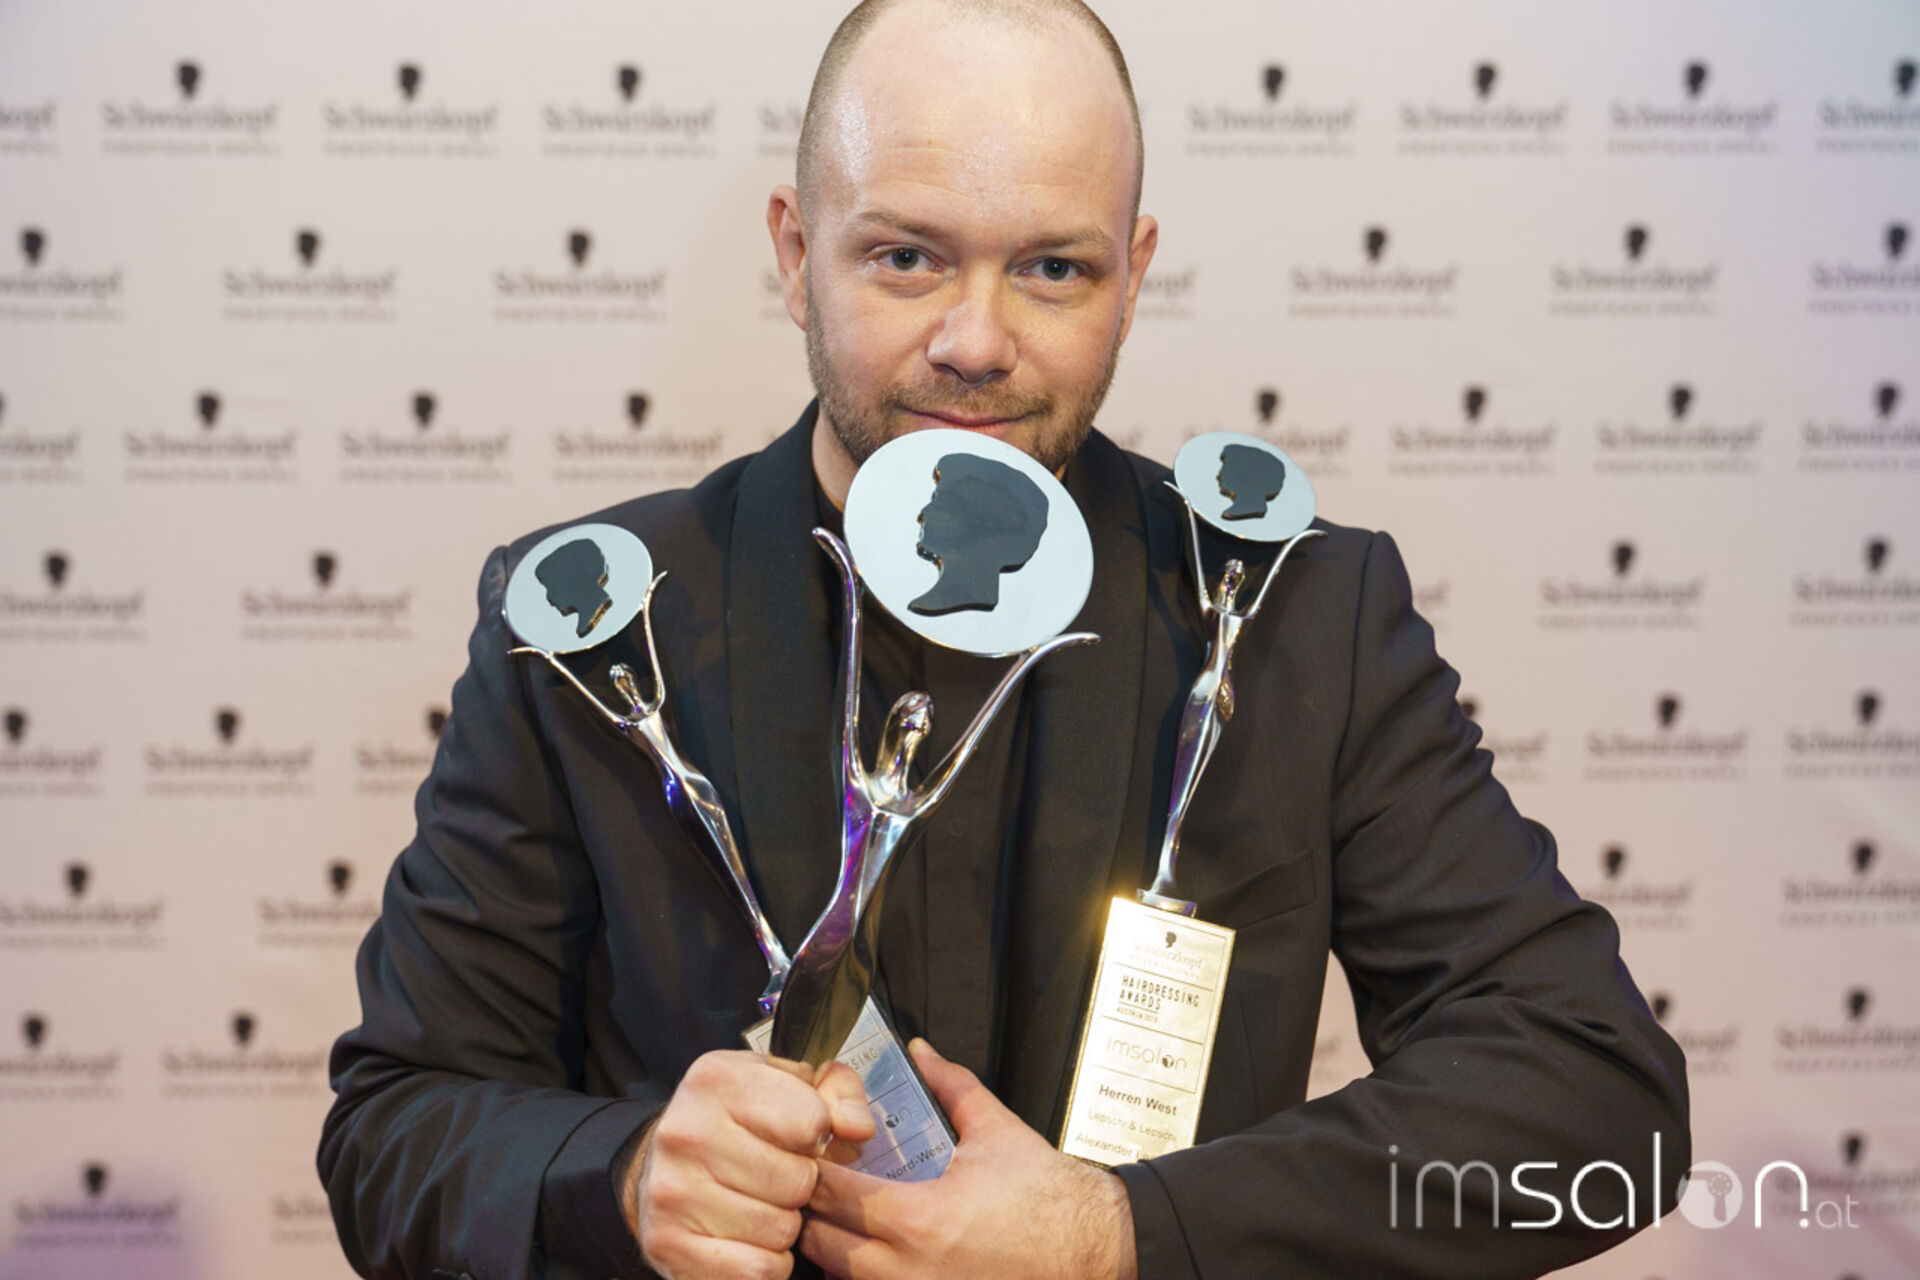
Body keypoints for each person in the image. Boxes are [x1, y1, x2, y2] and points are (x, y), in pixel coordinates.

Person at [319, 2, 1690, 1278]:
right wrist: (622, 1180)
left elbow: (1602, 1100)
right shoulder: (584, 630)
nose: (976, 342)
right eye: (907, 258)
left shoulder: (1299, 619)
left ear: (1132, 276)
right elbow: (394, 1131)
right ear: (796, 256)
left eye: (1052, 268)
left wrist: (1121, 1236)